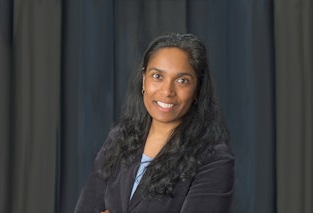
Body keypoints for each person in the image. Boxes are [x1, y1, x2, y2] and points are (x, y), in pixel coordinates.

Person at [74, 33, 234, 213]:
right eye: (157, 76)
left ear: (197, 90)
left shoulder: (214, 158)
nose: (167, 91)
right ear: (144, 79)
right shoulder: (120, 137)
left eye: (182, 81)